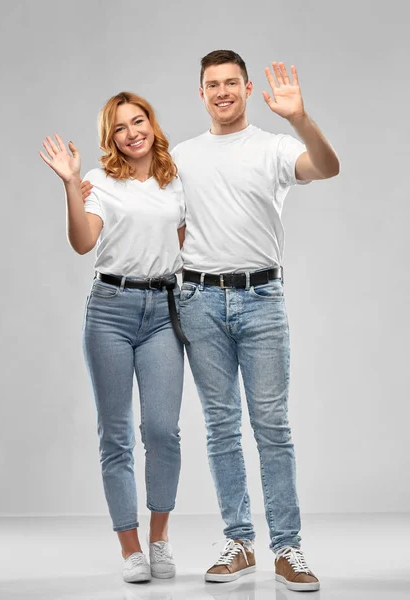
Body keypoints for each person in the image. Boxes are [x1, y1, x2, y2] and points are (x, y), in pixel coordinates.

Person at [170, 50, 339, 593]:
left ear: (246, 89)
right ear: (201, 93)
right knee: (221, 427)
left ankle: (287, 549)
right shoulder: (181, 156)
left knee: (272, 428)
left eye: (230, 83)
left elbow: (328, 167)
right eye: (211, 84)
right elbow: (159, 221)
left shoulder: (274, 146)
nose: (221, 91)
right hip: (198, 300)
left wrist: (298, 117)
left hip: (262, 298)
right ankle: (239, 543)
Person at [39, 92, 186, 584]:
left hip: (164, 312)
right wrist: (68, 185)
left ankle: (160, 539)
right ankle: (130, 547)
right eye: (120, 127)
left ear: (152, 124)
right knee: (116, 434)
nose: (131, 132)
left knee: (163, 431)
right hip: (110, 313)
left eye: (138, 121)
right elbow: (83, 242)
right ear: (111, 138)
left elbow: (185, 246)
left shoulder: (176, 181)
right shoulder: (99, 182)